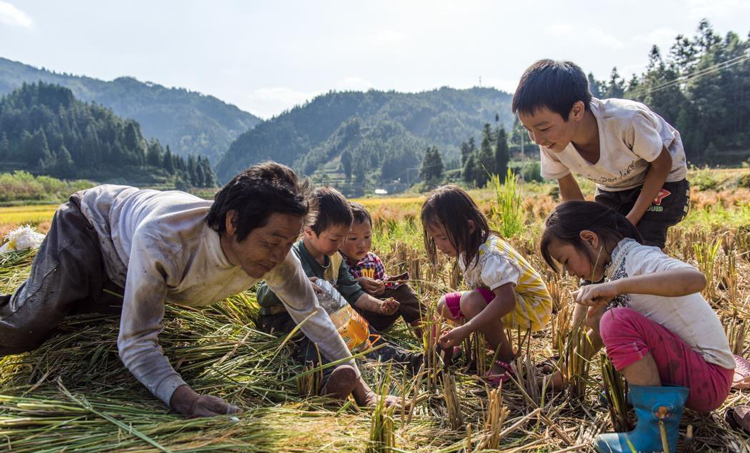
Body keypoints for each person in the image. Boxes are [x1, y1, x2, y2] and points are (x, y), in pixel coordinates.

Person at [0, 162, 390, 416]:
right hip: (91, 229)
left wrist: (363, 391)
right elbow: (137, 340)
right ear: (233, 222)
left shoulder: (278, 253)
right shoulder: (166, 240)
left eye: (287, 244)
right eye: (271, 242)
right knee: (30, 325)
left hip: (130, 262)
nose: (279, 256)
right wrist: (184, 399)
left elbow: (313, 317)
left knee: (83, 327)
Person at [540, 201, 735, 453]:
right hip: (691, 375)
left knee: (615, 320)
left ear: (589, 239)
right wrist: (561, 376)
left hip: (709, 379)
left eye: (566, 261)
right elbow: (599, 335)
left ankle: (655, 437)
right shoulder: (613, 270)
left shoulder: (638, 258)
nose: (569, 273)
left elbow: (695, 279)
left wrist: (617, 288)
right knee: (611, 321)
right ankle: (650, 399)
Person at [513, 59, 690, 249]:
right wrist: (583, 233)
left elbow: (662, 163)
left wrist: (630, 222)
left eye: (543, 128)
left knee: (641, 243)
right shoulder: (551, 141)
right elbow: (568, 188)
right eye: (528, 130)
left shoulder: (626, 121)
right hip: (614, 186)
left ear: (577, 111)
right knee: (602, 245)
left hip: (664, 177)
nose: (537, 140)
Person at [257, 187, 422, 378]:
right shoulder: (291, 256)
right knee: (318, 336)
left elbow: (355, 294)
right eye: (335, 238)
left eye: (344, 237)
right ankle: (328, 379)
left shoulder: (336, 258)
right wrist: (297, 283)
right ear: (308, 231)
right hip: (285, 320)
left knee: (359, 327)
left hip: (325, 315)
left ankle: (407, 360)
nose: (341, 244)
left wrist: (381, 306)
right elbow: (262, 294)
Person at [421, 185, 552, 383]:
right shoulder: (467, 248)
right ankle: (491, 340)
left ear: (470, 227)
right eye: (435, 239)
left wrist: (467, 329)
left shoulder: (491, 254)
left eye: (443, 237)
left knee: (472, 302)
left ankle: (507, 359)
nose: (439, 246)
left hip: (532, 306)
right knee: (444, 305)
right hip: (506, 300)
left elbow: (506, 301)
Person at [339, 202, 426, 338]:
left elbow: (385, 282)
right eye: (353, 238)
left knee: (402, 291)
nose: (361, 244)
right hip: (348, 322)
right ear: (339, 237)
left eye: (367, 237)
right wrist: (358, 283)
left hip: (377, 314)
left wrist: (382, 286)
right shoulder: (336, 261)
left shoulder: (372, 260)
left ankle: (427, 333)